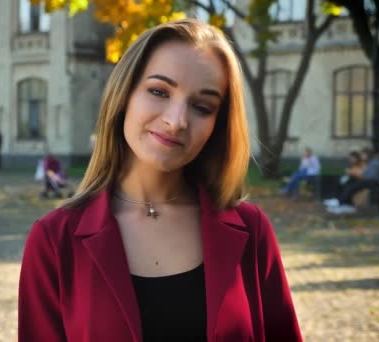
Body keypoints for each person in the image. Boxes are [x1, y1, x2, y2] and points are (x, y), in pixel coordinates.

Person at [18, 19, 301, 341]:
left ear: (217, 126)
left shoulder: (251, 230)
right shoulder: (54, 241)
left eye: (202, 106)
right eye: (158, 91)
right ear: (124, 96)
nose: (176, 120)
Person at [324, 147, 379, 214]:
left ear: (368, 155)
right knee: (349, 184)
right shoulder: (370, 162)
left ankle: (341, 202)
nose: (361, 156)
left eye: (363, 155)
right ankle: (343, 202)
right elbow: (364, 174)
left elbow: (370, 177)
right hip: (368, 181)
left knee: (352, 185)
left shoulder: (374, 163)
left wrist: (357, 174)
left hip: (373, 183)